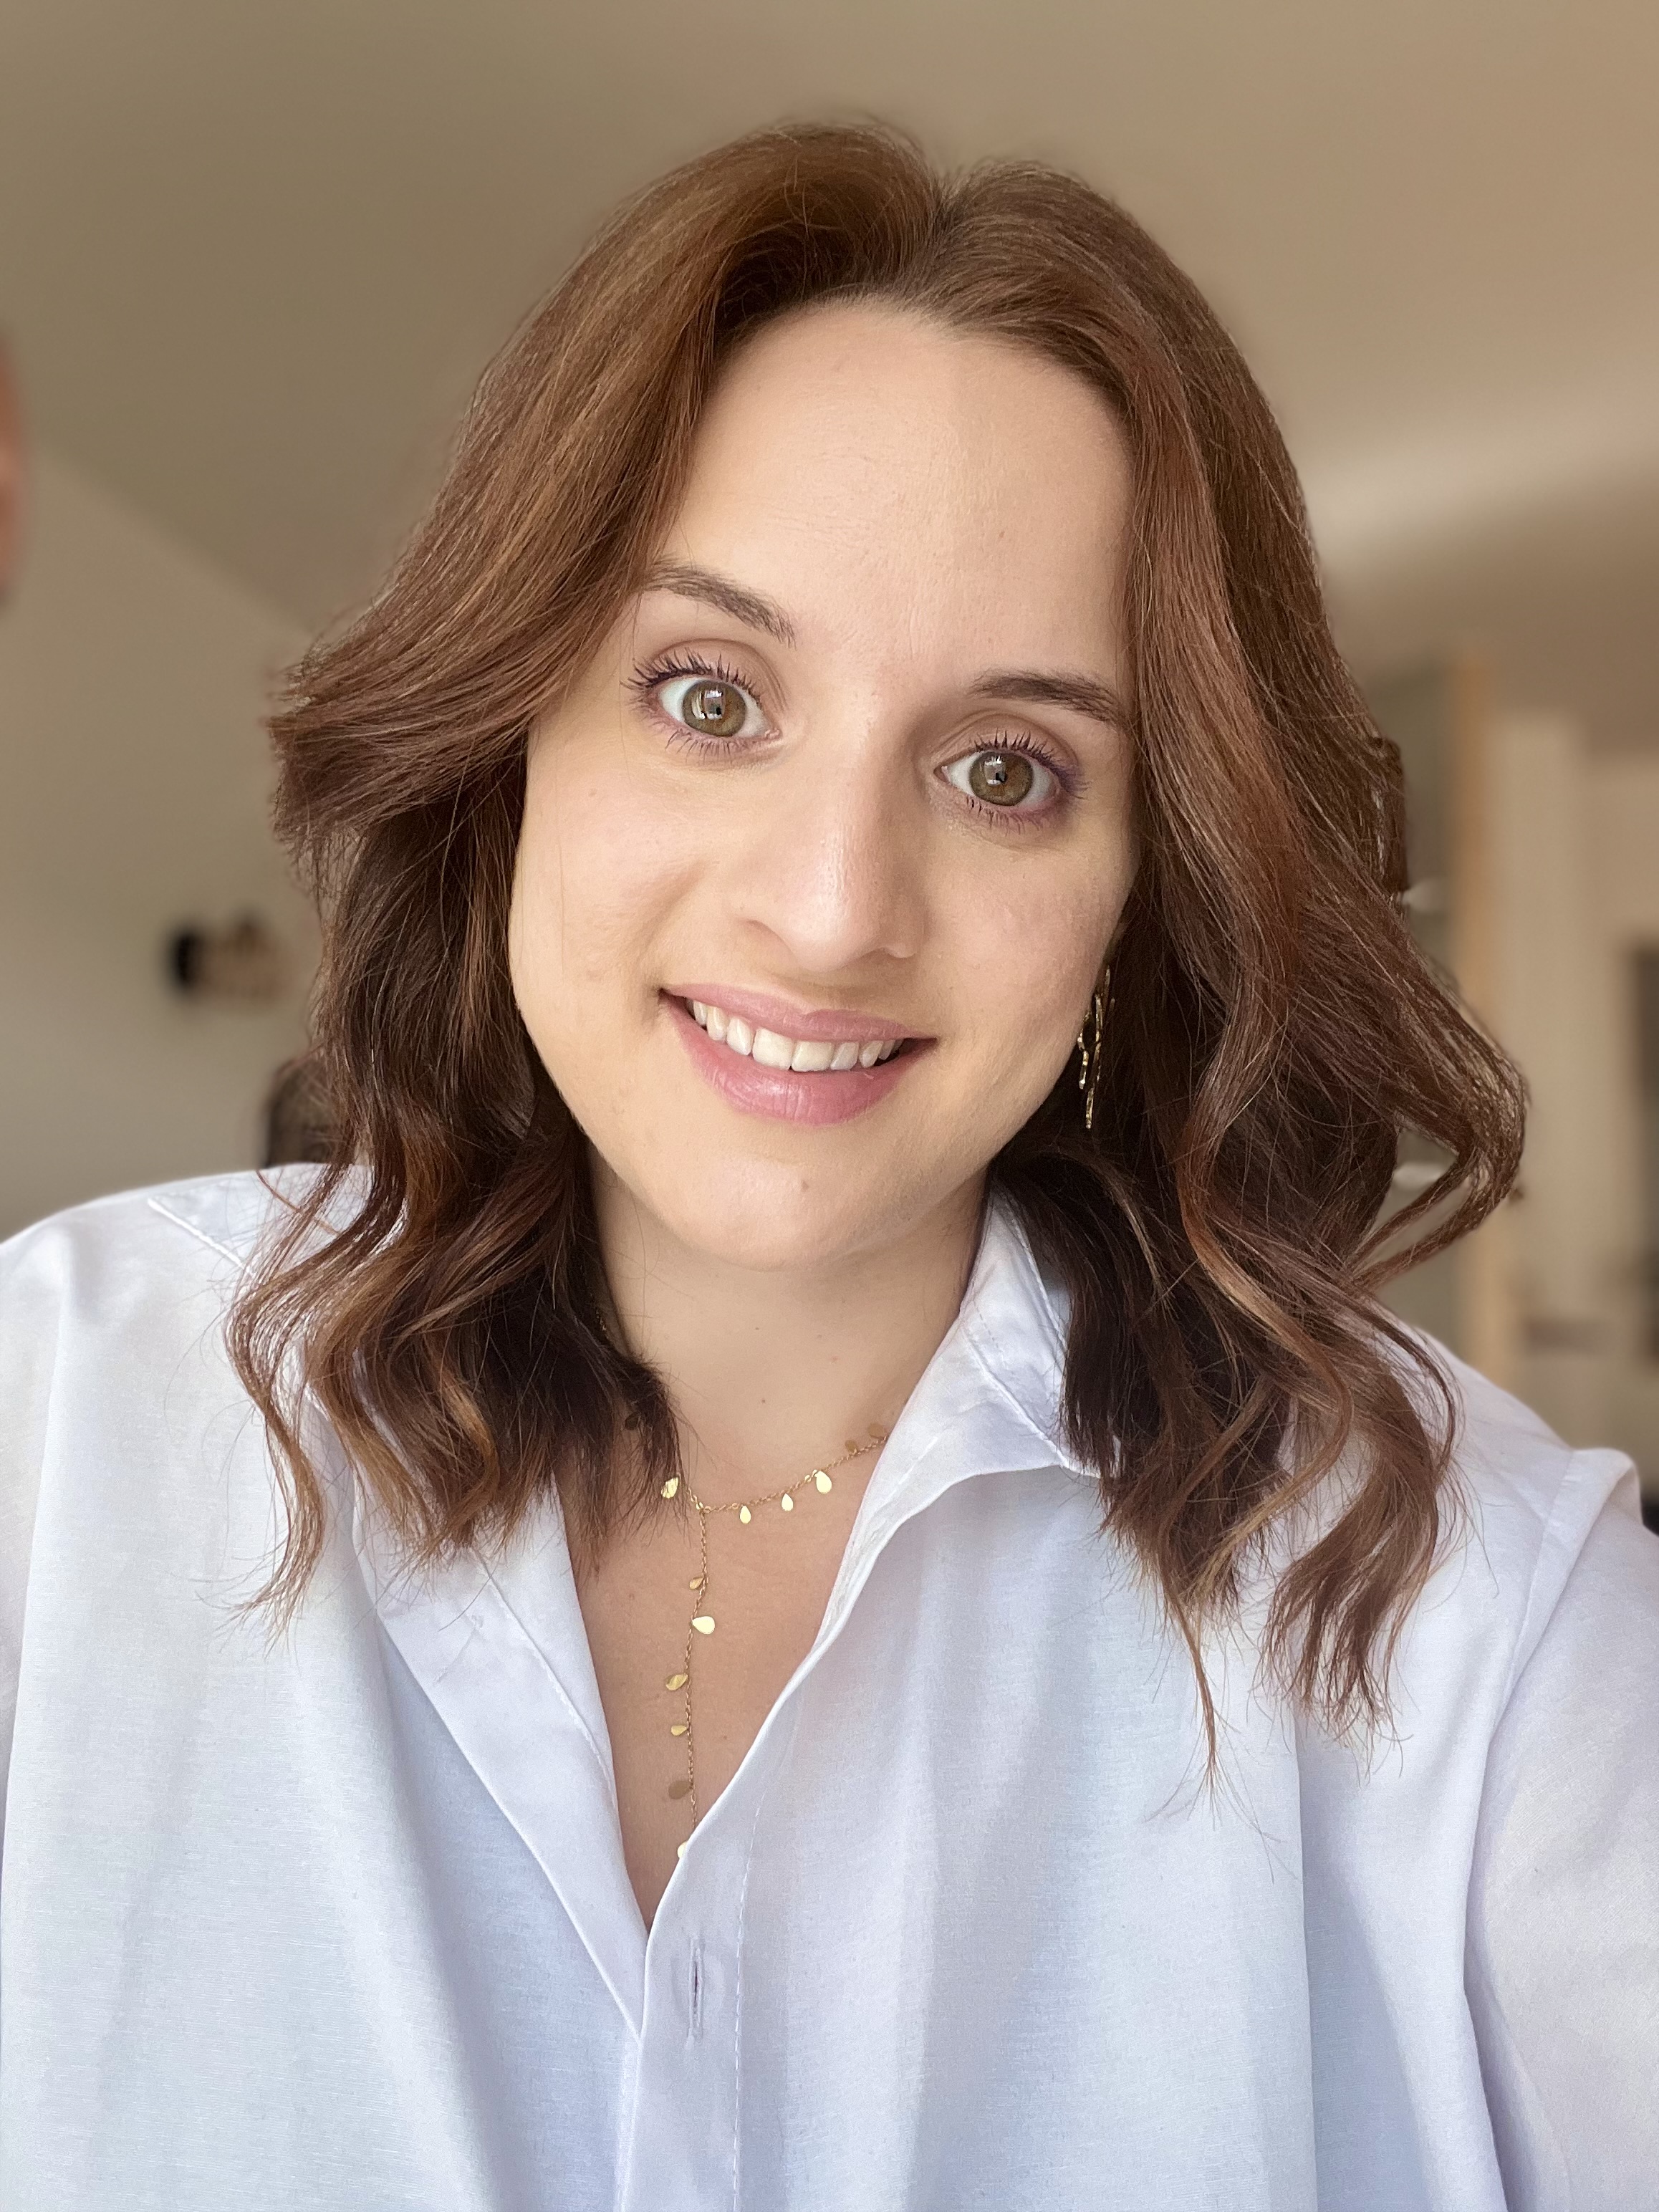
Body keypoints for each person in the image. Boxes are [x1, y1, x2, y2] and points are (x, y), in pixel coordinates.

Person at [1, 125, 1653, 2212]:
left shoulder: (1481, 1614)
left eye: (1006, 770)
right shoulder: (63, 1420)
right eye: (709, 697)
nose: (831, 908)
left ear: (1143, 887)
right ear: (509, 744)